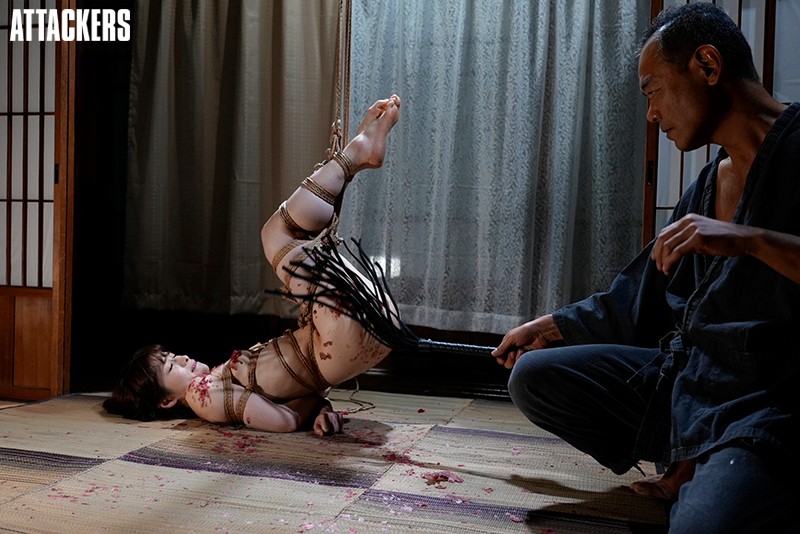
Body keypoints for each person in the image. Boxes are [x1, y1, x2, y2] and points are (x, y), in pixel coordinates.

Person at [492, 4, 798, 532]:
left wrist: (750, 240)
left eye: (653, 91)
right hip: (692, 386)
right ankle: (692, 457)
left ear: (707, 65)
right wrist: (551, 327)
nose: (652, 115)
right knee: (534, 376)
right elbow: (638, 296)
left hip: (769, 403)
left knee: (701, 526)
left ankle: (717, 470)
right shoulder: (707, 186)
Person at [104, 95, 402, 437]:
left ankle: (354, 158)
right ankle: (351, 158)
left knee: (298, 242)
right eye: (172, 366)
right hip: (338, 341)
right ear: (166, 402)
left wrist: (320, 409)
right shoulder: (202, 395)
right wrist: (312, 408)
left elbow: (293, 402)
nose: (183, 358)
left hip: (360, 338)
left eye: (174, 355)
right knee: (276, 235)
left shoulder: (217, 383)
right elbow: (284, 421)